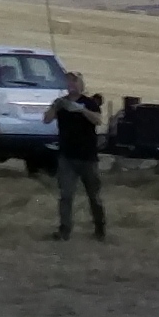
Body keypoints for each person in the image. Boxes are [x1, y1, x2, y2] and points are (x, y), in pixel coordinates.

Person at [50, 87, 107, 240]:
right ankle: (64, 230)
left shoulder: (89, 103)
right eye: (69, 80)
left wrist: (82, 110)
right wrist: (55, 107)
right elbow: (47, 119)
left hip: (87, 157)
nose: (72, 84)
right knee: (66, 195)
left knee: (94, 196)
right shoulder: (61, 103)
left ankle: (100, 228)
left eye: (75, 80)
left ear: (81, 85)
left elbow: (98, 120)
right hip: (67, 157)